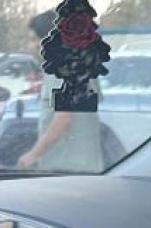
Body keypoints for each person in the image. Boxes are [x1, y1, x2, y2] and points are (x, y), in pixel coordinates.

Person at [17, 9, 104, 172]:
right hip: (88, 166)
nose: (31, 45)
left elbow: (63, 118)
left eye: (33, 39)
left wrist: (33, 155)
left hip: (64, 169)